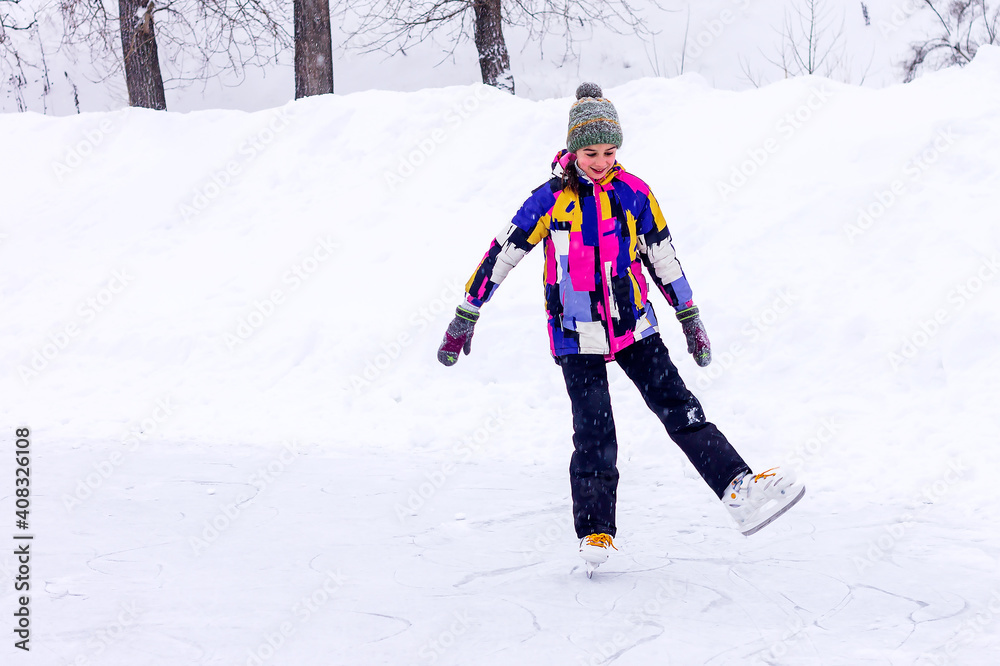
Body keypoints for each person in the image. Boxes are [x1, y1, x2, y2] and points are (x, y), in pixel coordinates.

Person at [437, 83, 804, 575]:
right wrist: (468, 310)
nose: (601, 160)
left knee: (681, 407)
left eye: (610, 151)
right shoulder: (548, 201)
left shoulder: (635, 193)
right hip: (575, 332)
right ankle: (596, 532)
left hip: (634, 326)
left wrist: (688, 314)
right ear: (572, 149)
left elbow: (663, 254)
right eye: (591, 152)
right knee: (594, 433)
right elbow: (504, 253)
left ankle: (738, 488)